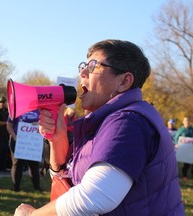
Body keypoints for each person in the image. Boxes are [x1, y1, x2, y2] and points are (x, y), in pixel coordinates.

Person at [14, 39, 184, 215]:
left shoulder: (128, 123)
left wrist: (32, 215)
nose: (83, 73)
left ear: (124, 81)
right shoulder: (102, 123)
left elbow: (94, 197)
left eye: (93, 66)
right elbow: (67, 183)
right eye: (83, 66)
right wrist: (58, 140)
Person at [7, 110, 42, 192]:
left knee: (34, 165)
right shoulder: (16, 109)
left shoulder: (38, 111)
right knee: (17, 164)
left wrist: (38, 125)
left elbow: (43, 124)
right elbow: (9, 124)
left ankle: (37, 187)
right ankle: (16, 187)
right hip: (19, 142)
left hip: (33, 142)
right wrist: (14, 136)